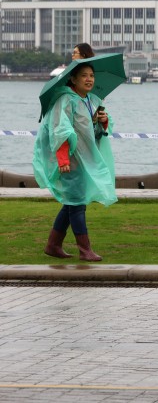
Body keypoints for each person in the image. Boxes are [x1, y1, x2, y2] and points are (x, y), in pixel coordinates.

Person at [33, 61, 116, 261]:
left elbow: (91, 134)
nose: (89, 79)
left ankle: (53, 245)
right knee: (77, 203)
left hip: (83, 160)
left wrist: (101, 121)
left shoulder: (90, 100)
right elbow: (59, 130)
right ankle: (85, 249)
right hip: (70, 161)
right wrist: (62, 159)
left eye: (91, 76)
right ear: (73, 79)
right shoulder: (65, 100)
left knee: (72, 202)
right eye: (84, 76)